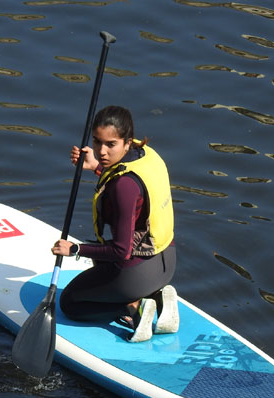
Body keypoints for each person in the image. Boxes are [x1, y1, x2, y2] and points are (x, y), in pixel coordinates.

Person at [51, 105, 179, 342]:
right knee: (100, 252)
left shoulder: (123, 186)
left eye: (111, 144)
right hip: (166, 263)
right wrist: (96, 167)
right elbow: (132, 186)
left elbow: (121, 250)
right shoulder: (147, 155)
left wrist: (75, 249)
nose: (102, 151)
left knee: (70, 303)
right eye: (97, 142)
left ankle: (133, 307)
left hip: (137, 275)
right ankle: (157, 297)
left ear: (127, 142)